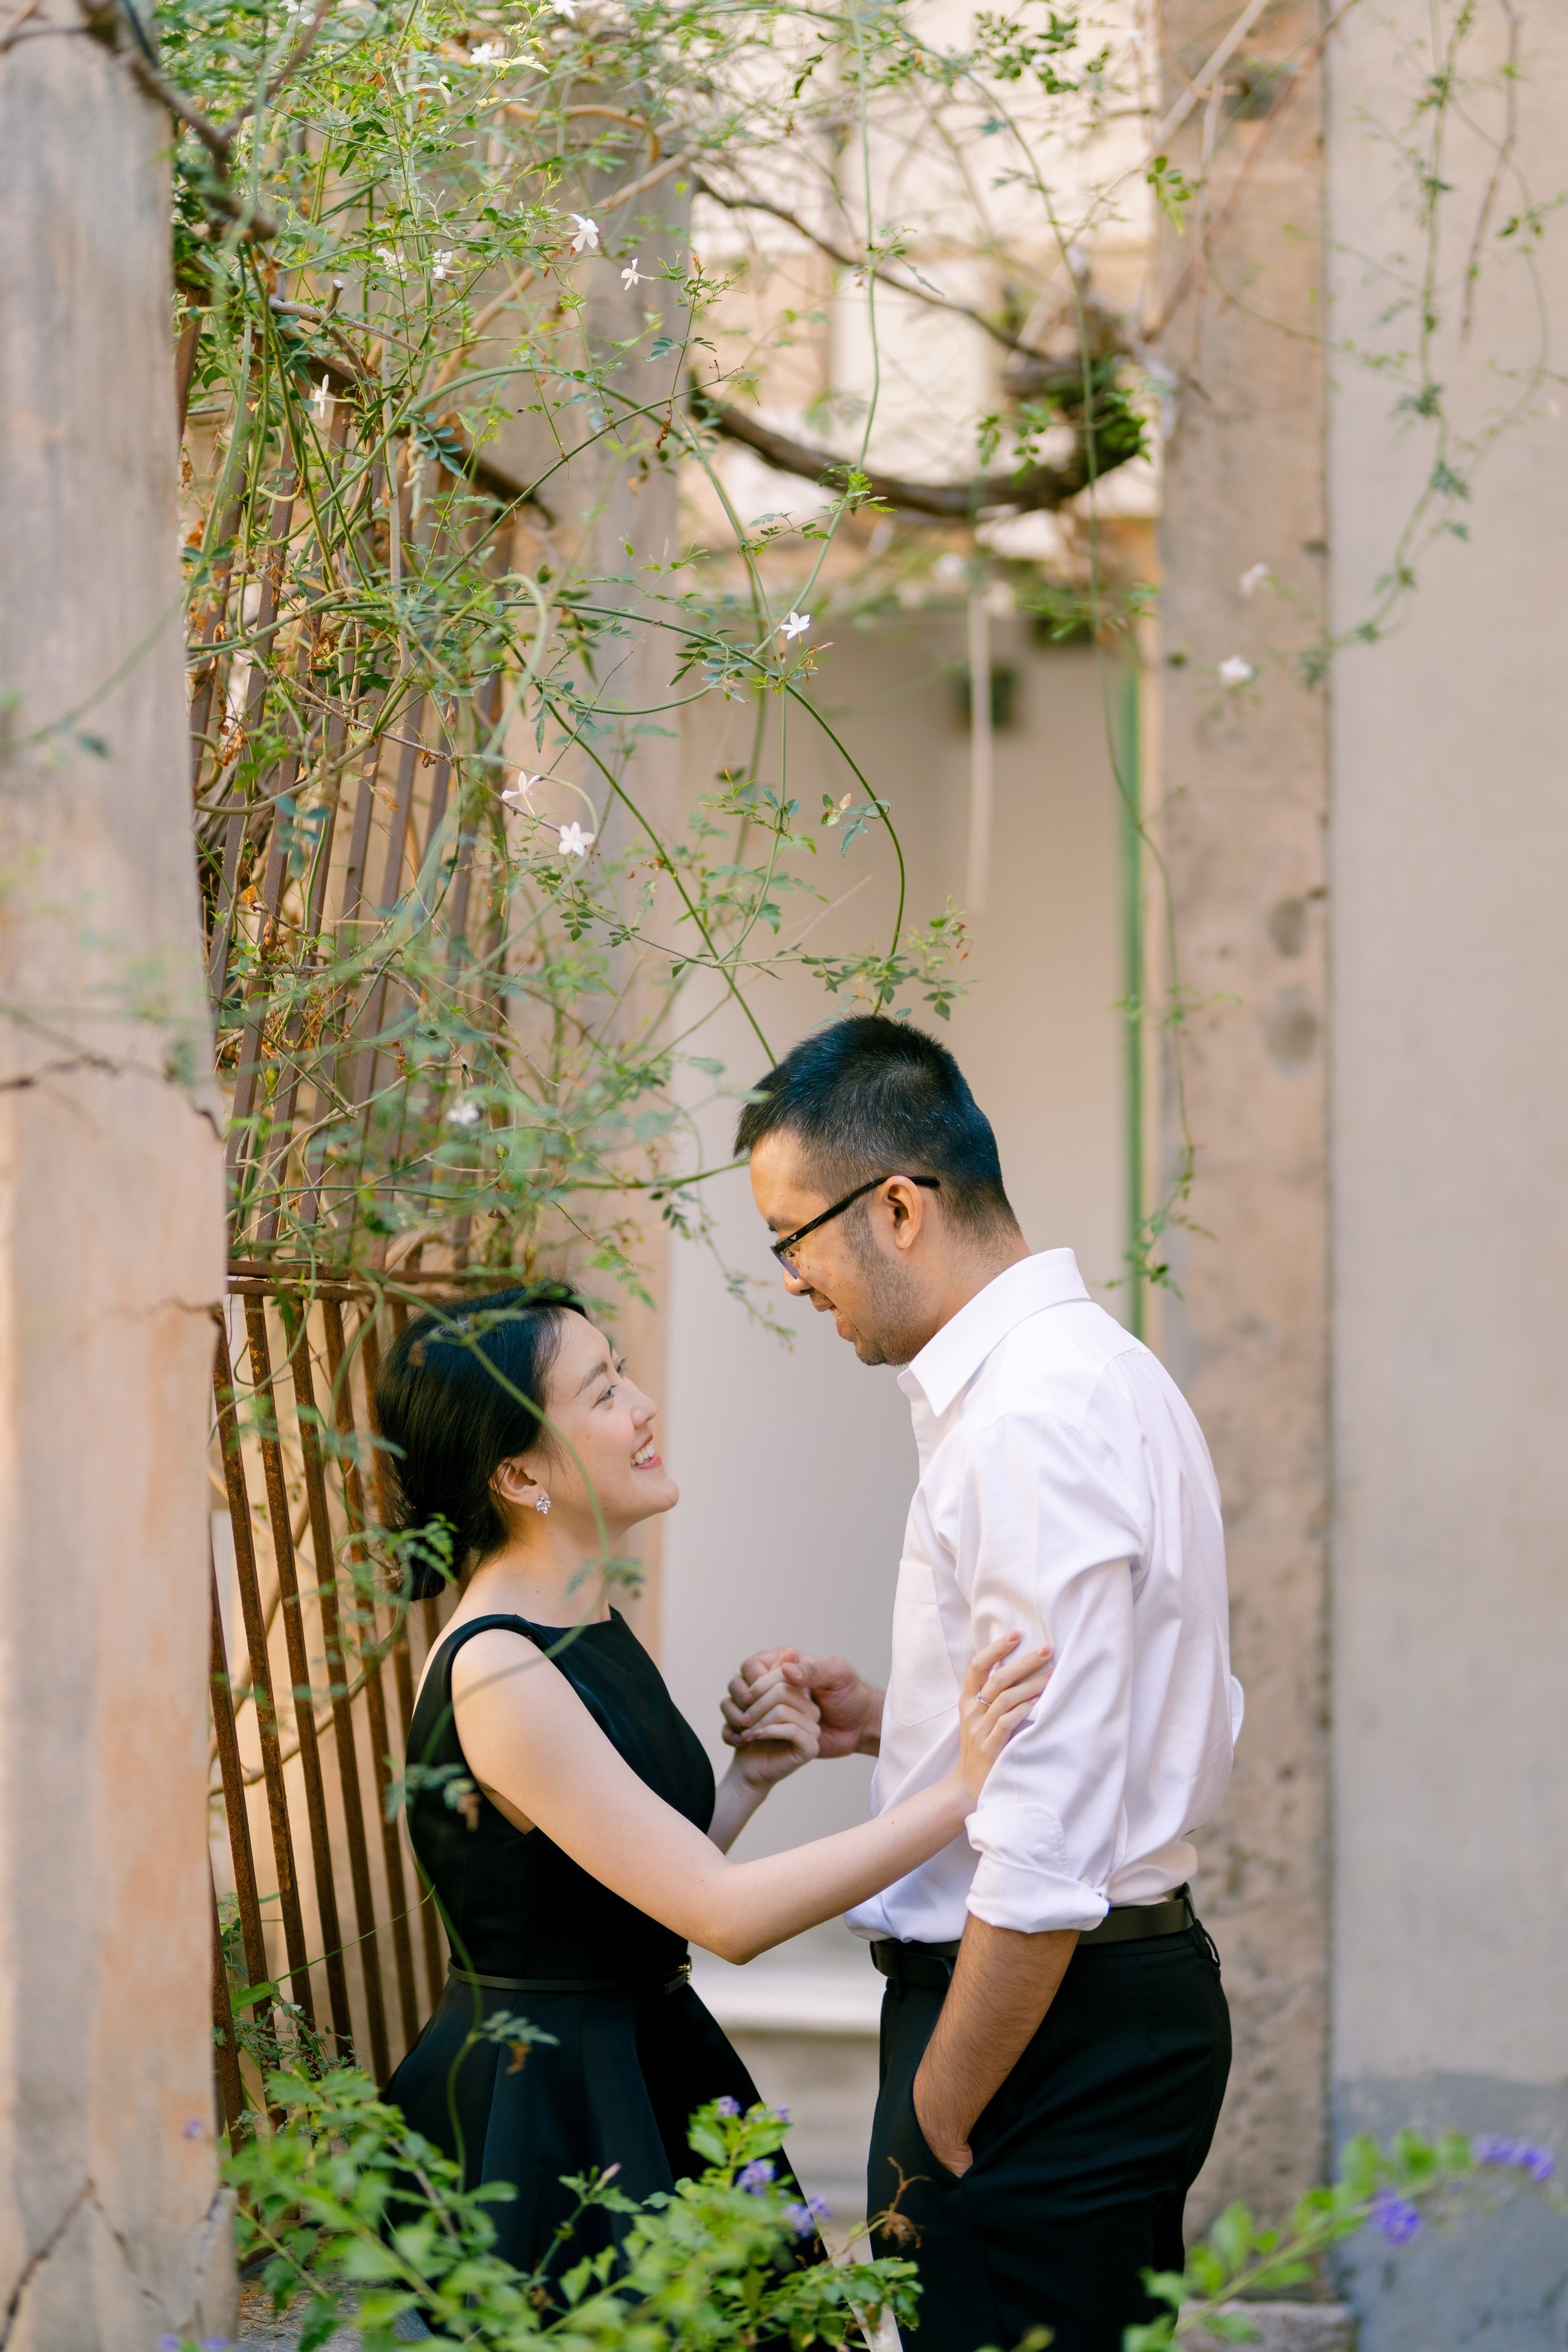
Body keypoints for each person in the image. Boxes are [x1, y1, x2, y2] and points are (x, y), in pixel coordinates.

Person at [723, 1014, 1242, 2352]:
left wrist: (939, 2112)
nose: (786, 1279)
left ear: (895, 1207)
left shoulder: (1025, 1415)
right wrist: (891, 1730)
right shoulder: (1093, 1372)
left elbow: (1047, 1838)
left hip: (1036, 2029)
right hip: (1091, 2013)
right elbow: (1111, 1712)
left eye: (790, 1237)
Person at [375, 1284, 1050, 2283]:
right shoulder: (498, 1668)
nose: (642, 1404)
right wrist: (958, 1788)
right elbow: (723, 1917)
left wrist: (748, 1783)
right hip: (547, 2116)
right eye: (602, 1391)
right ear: (520, 1473)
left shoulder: (583, 1626)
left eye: (624, 1374)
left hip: (640, 2065)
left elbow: (615, 1892)